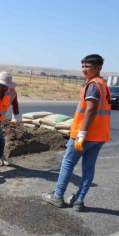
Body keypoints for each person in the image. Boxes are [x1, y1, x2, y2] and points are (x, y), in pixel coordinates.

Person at [42, 54, 111, 212]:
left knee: (68, 164)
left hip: (86, 135)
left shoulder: (93, 84)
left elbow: (91, 109)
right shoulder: (103, 85)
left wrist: (81, 134)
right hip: (100, 135)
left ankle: (58, 196)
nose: (84, 70)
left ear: (99, 67)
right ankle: (79, 200)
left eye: (88, 67)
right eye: (83, 66)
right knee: (89, 167)